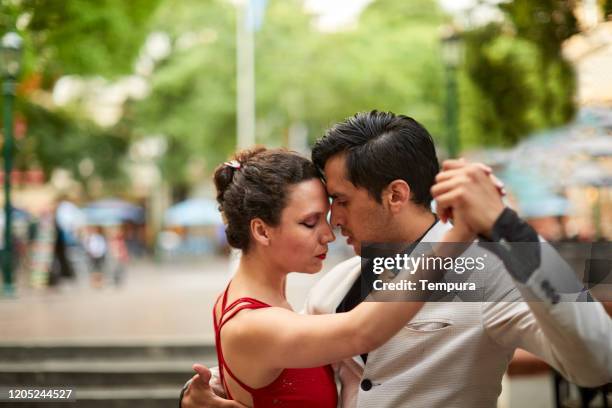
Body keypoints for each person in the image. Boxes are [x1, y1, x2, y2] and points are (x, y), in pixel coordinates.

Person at [182, 111, 611, 408]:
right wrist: (205, 392)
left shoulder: (487, 273)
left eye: (341, 201)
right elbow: (281, 363)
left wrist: (512, 232)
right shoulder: (335, 283)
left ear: (396, 195)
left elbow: (599, 360)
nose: (334, 221)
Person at [204, 147, 472, 407]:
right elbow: (362, 331)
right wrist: (460, 234)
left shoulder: (250, 302)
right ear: (262, 231)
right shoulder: (252, 324)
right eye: (310, 222)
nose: (329, 235)